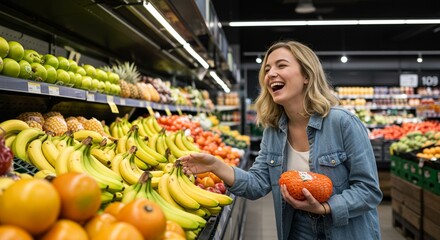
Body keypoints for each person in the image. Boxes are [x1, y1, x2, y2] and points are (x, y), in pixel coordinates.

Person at [179, 40, 383, 240]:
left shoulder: (342, 123)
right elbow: (257, 184)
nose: (270, 74)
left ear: (306, 75)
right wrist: (215, 165)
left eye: (281, 65)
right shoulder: (273, 132)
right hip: (297, 228)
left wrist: (325, 207)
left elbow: (368, 190)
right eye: (267, 69)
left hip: (344, 230)